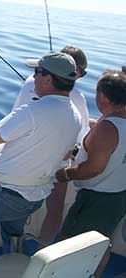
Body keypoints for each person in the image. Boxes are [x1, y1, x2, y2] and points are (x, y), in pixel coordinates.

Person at [0, 52, 81, 276]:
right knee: (13, 236)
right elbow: (58, 153)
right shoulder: (74, 115)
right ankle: (13, 268)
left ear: (48, 79)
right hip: (35, 196)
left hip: (2, 195)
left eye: (37, 72)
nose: (33, 77)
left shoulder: (33, 110)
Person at [13, 46, 95, 244]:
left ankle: (13, 245)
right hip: (56, 161)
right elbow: (82, 135)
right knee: (55, 208)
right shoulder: (76, 97)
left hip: (24, 158)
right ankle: (43, 248)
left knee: (17, 205)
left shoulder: (29, 83)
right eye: (79, 73)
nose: (80, 77)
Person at [56, 69, 126, 277]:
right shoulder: (113, 122)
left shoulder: (107, 129)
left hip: (97, 198)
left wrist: (66, 174)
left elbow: (94, 168)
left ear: (103, 97)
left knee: (71, 244)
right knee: (102, 240)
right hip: (119, 194)